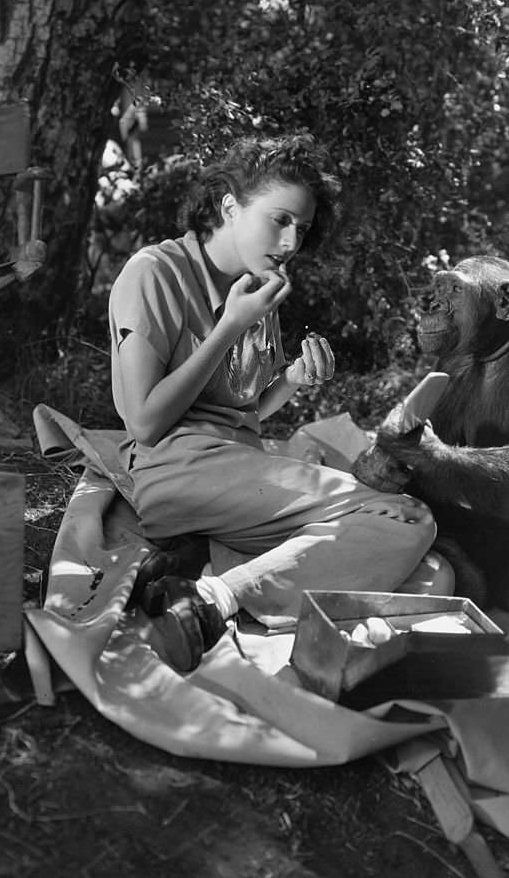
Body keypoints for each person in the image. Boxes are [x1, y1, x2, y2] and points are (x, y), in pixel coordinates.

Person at [109, 133, 446, 672]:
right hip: (175, 470)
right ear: (228, 207)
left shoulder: (258, 287)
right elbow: (145, 422)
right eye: (279, 219)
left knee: (435, 575)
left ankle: (204, 582)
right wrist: (229, 326)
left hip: (239, 467)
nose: (290, 243)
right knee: (406, 520)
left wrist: (291, 379)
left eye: (303, 229)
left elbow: (243, 413)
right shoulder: (154, 272)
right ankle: (216, 600)